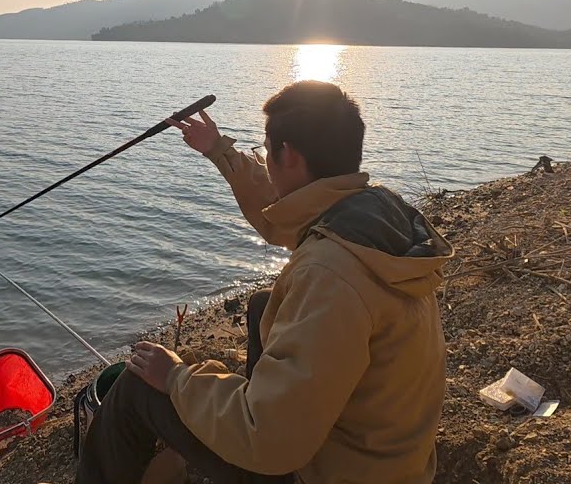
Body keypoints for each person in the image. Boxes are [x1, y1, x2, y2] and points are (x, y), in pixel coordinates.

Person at [77, 81, 453, 484]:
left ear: (287, 155)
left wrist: (175, 378)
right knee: (263, 305)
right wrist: (220, 151)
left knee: (138, 387)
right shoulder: (372, 212)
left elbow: (269, 441)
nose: (266, 162)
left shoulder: (329, 275)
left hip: (323, 470)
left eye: (266, 149)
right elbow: (282, 210)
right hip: (389, 457)